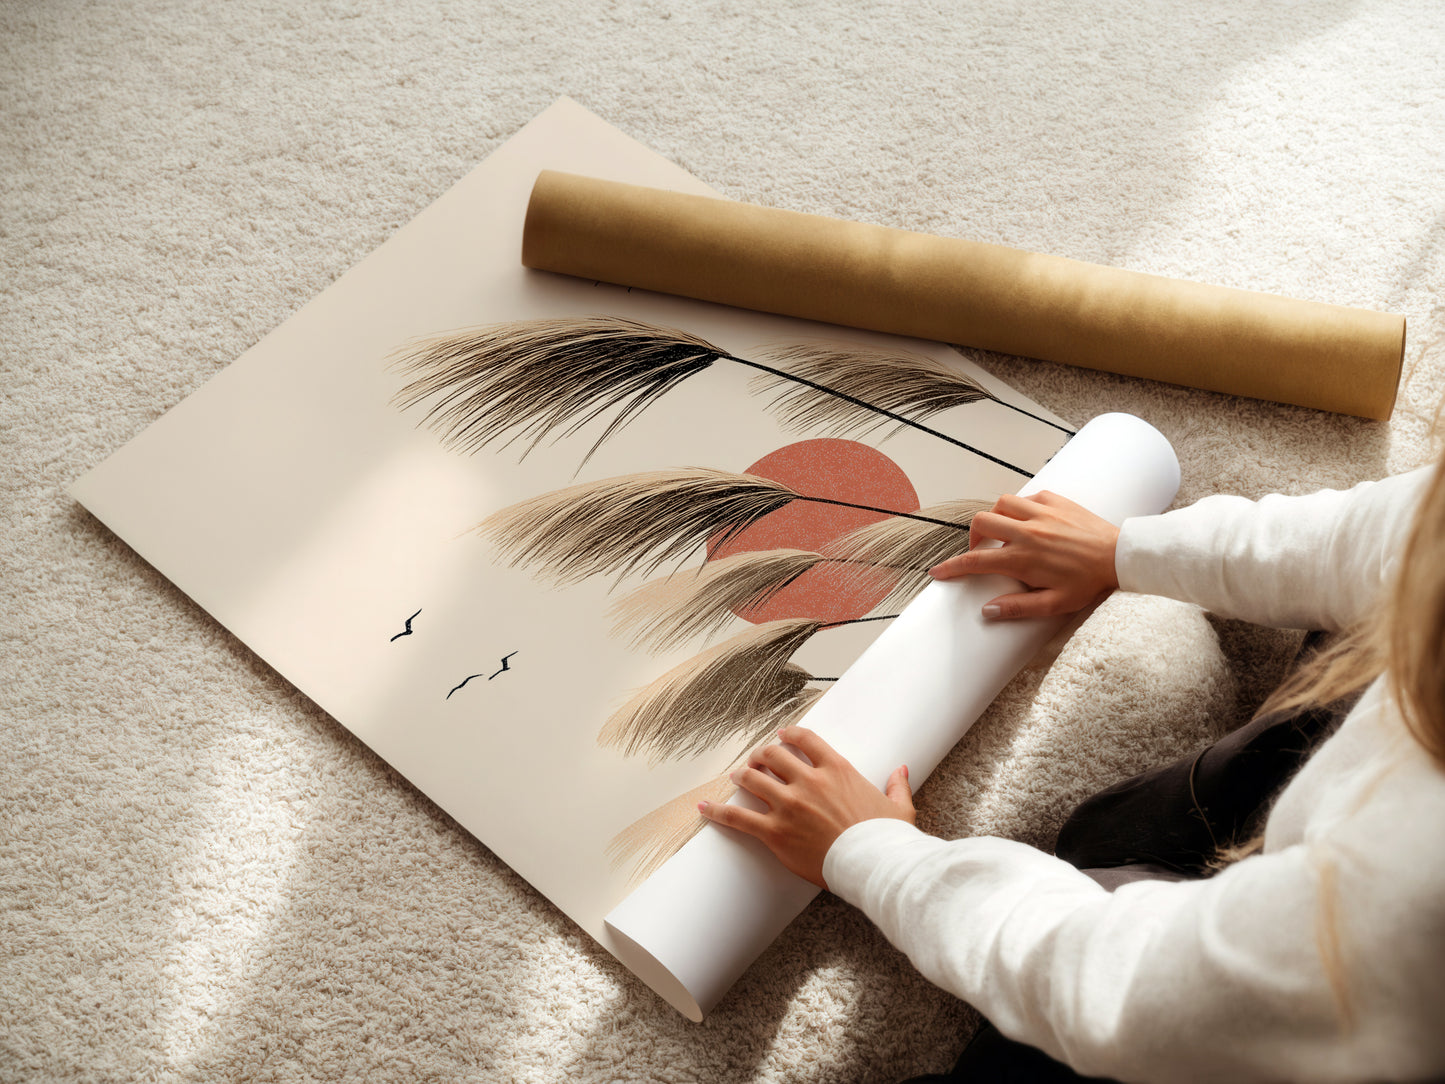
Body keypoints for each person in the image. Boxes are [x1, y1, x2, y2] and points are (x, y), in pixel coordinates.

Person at [698, 461, 1445, 1082]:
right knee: (1114, 835)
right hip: (1348, 874)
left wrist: (873, 855)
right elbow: (1385, 534)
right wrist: (1125, 550)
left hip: (1341, 1018)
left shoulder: (1408, 899)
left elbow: (1123, 990)